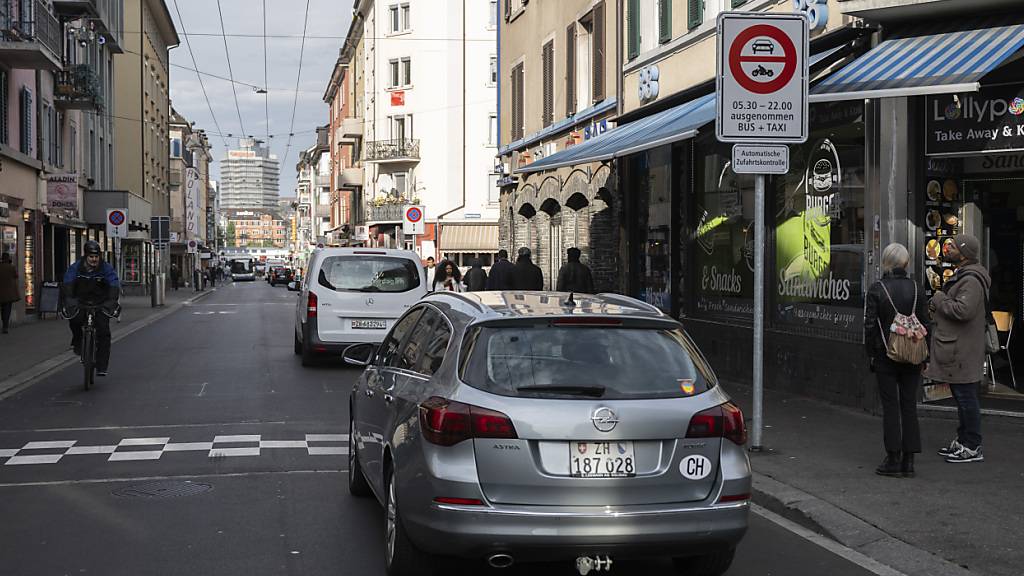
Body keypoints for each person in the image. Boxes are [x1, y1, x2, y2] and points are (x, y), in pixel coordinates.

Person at [864, 243, 929, 477]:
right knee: (909, 405)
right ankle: (909, 461)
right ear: (906, 262)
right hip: (912, 354)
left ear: (886, 262)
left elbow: (870, 326)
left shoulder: (876, 289)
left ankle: (893, 458)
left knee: (891, 407)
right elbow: (925, 323)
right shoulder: (917, 288)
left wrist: (871, 354)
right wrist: (925, 355)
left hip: (885, 356)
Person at [925, 234, 990, 464]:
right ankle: (963, 441)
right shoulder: (964, 275)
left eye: (952, 246)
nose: (947, 248)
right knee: (962, 398)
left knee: (966, 398)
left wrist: (940, 299)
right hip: (958, 347)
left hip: (962, 350)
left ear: (964, 253)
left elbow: (963, 311)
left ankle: (972, 446)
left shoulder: (971, 280)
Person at [62, 241, 120, 376]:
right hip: (81, 302)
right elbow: (68, 283)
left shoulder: (106, 268)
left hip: (100, 303)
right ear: (86, 256)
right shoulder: (76, 267)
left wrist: (111, 301)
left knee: (104, 332)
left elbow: (113, 283)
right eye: (91, 256)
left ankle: (101, 366)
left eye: (96, 256)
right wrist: (69, 300)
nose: (94, 259)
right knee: (74, 320)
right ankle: (77, 341)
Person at [0, 252, 19, 334]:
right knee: (7, 310)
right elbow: (16, 276)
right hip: (9, 292)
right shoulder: (11, 267)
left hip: (1, 292)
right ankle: (5, 326)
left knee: (2, 309)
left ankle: (3, 321)